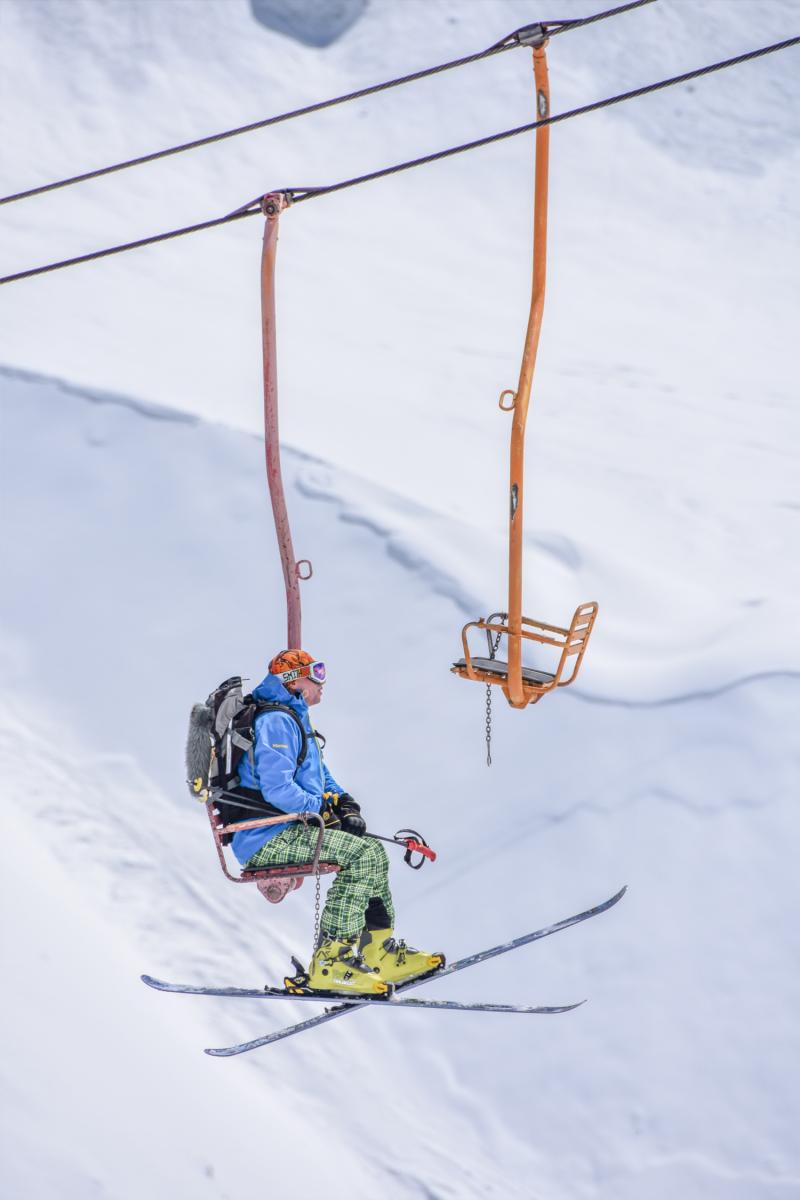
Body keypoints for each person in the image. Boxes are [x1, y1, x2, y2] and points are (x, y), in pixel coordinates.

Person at [232, 649, 443, 994]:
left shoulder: (293, 717)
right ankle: (331, 961)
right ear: (294, 680)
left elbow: (319, 774)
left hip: (288, 828)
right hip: (266, 836)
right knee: (358, 857)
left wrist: (344, 804)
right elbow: (277, 788)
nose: (322, 683)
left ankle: (376, 952)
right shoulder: (275, 722)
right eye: (316, 674)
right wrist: (322, 809)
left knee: (372, 851)